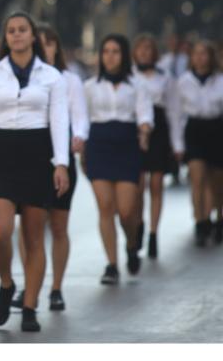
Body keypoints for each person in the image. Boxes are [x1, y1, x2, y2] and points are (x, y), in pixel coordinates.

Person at [0, 12, 69, 333]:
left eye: (22, 30)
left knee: (34, 236)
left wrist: (61, 163)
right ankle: (7, 282)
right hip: (2, 154)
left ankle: (30, 307)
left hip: (38, 154)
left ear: (33, 35)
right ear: (5, 37)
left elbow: (59, 122)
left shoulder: (52, 76)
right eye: (10, 31)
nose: (16, 35)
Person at [11, 25, 89, 312]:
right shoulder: (20, 77)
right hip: (30, 159)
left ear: (56, 47)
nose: (45, 48)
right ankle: (28, 284)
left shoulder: (68, 80)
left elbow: (79, 116)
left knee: (58, 225)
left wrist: (79, 136)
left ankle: (55, 287)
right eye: (39, 42)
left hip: (60, 159)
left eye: (50, 43)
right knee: (29, 228)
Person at [83, 34, 153, 285]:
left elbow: (145, 113)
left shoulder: (137, 85)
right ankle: (111, 264)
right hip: (99, 145)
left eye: (115, 51)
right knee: (105, 207)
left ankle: (132, 243)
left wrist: (144, 131)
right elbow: (83, 119)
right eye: (106, 51)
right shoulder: (90, 86)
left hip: (126, 145)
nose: (110, 56)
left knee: (126, 211)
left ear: (123, 55)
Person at [171, 40, 223, 246]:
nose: (200, 58)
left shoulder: (219, 80)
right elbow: (176, 114)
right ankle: (200, 221)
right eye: (197, 54)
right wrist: (177, 144)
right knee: (197, 178)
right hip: (194, 130)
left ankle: (218, 218)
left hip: (216, 129)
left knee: (217, 182)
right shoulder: (183, 82)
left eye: (205, 54)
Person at [132, 34, 177, 258]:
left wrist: (177, 143)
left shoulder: (165, 77)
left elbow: (173, 111)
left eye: (148, 48)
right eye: (141, 48)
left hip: (159, 129)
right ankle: (139, 223)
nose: (144, 52)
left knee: (157, 183)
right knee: (138, 185)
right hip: (136, 129)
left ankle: (153, 233)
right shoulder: (130, 75)